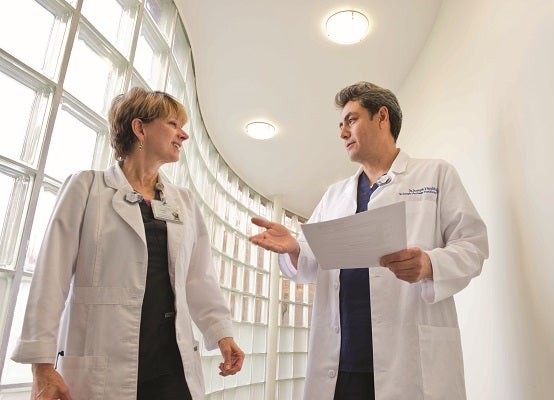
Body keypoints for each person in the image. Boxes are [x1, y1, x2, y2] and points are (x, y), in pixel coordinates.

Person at [250, 81, 488, 400]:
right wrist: (294, 248)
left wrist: (430, 264)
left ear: (382, 117)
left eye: (351, 119)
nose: (342, 132)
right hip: (343, 362)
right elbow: (312, 261)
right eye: (341, 124)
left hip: (409, 359)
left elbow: (473, 245)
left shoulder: (435, 175)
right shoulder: (335, 195)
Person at [11, 87, 244, 399]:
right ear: (140, 128)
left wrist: (222, 333)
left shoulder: (182, 202)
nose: (183, 135)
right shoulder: (87, 187)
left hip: (173, 367)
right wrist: (41, 365)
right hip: (104, 364)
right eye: (173, 124)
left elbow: (198, 277)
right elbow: (49, 278)